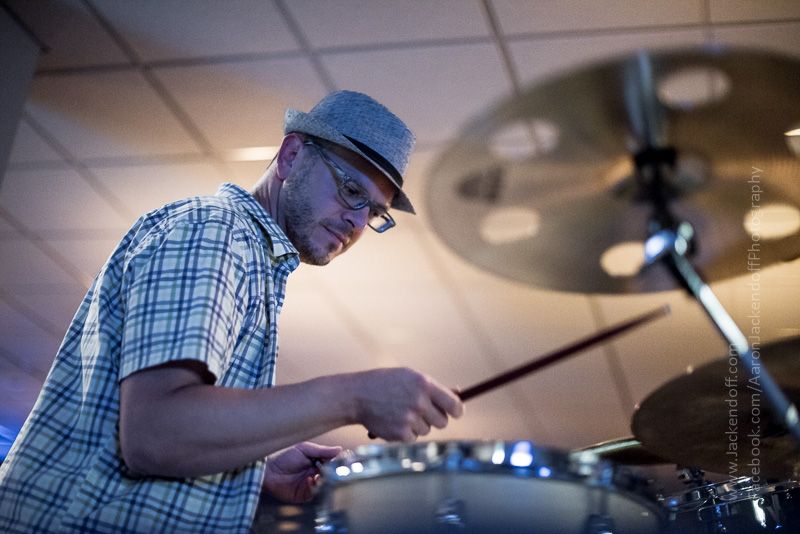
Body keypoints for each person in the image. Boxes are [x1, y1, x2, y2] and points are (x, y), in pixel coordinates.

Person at [0, 90, 464, 533]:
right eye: (350, 190)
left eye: (375, 213)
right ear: (290, 156)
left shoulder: (255, 264)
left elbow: (155, 442)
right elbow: (155, 434)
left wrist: (252, 470)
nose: (358, 221)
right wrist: (353, 397)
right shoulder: (216, 232)